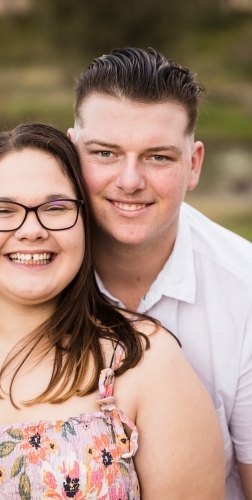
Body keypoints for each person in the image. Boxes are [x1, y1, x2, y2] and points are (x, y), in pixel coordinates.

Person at [0, 123, 224, 499]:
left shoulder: (144, 362)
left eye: (56, 207)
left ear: (85, 224)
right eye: (2, 210)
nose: (31, 230)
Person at [67, 47, 252, 500]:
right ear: (70, 152)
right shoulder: (25, 270)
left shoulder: (245, 290)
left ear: (193, 164)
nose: (130, 181)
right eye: (105, 153)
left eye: (158, 157)